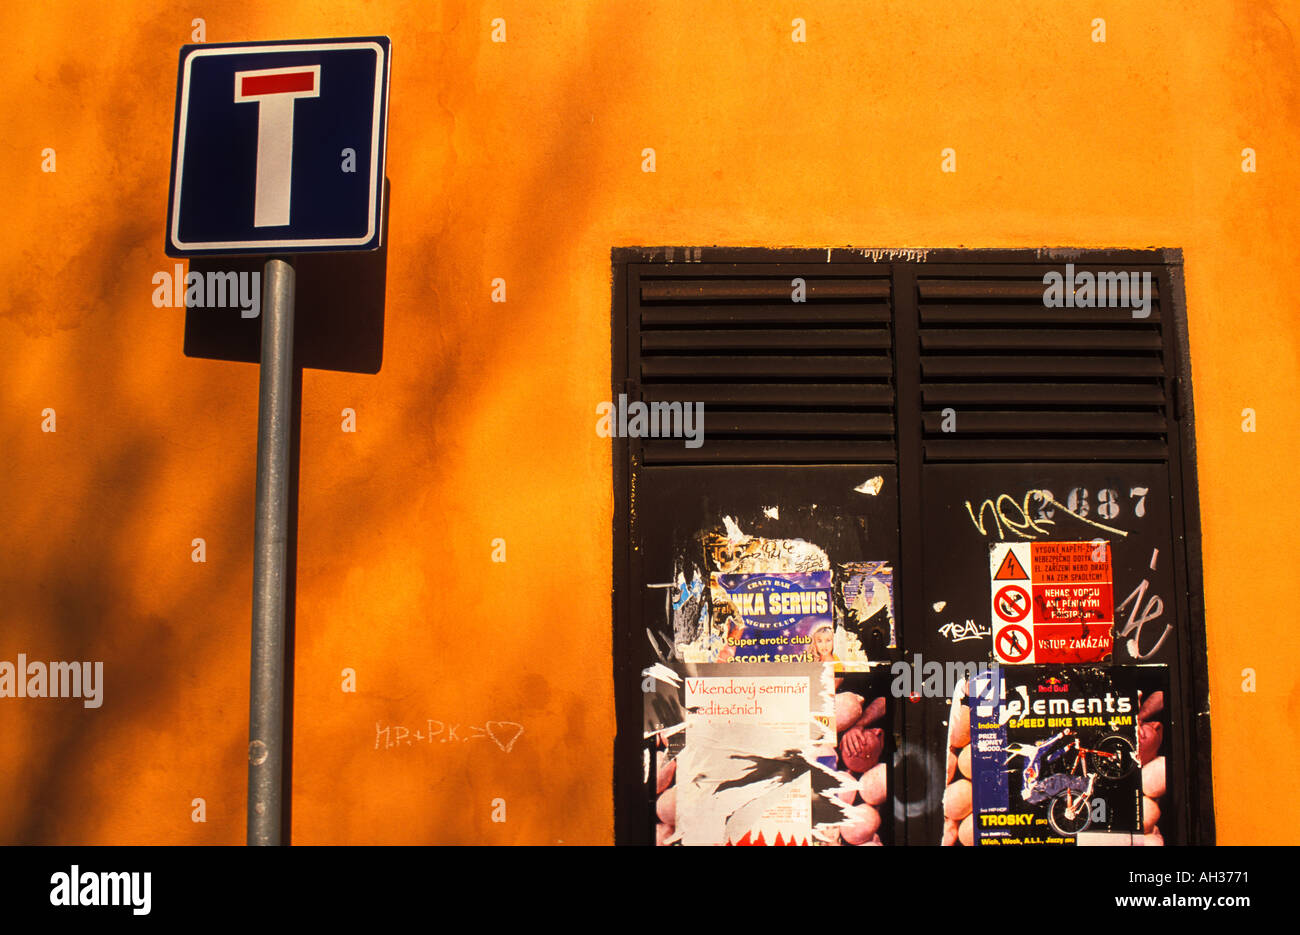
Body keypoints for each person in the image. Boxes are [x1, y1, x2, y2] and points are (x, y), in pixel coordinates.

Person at [1019, 730, 1095, 818]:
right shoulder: (1032, 753)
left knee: (1065, 790)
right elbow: (1044, 747)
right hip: (1033, 791)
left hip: (1037, 793)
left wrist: (1067, 747)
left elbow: (1051, 757)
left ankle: (1071, 808)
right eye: (1041, 742)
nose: (1043, 743)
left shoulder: (1038, 759)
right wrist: (1061, 734)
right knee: (1060, 779)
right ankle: (1086, 785)